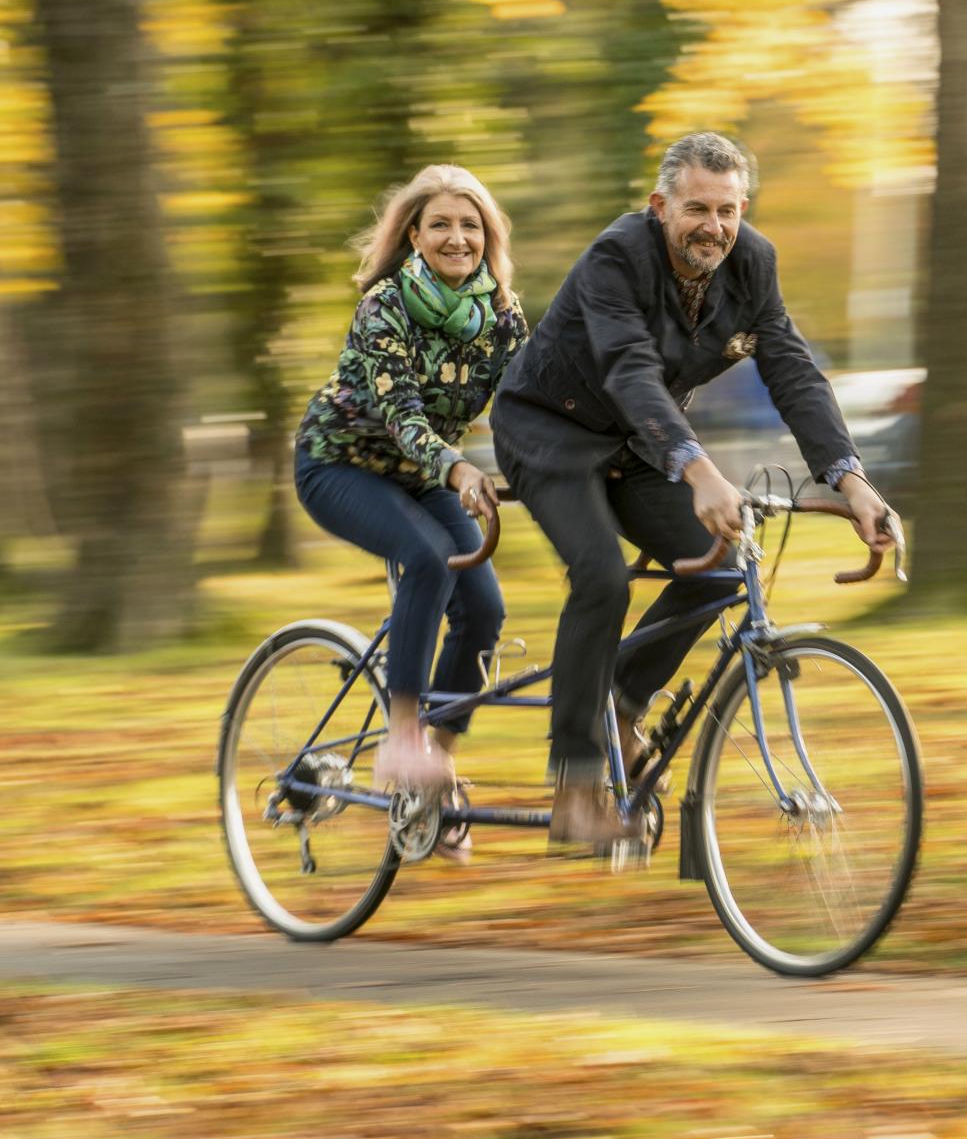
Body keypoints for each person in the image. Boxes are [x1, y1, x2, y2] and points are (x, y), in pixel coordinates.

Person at [491, 132, 894, 847]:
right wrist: (697, 467)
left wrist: (852, 480)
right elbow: (628, 367)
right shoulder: (618, 257)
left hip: (639, 442)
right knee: (601, 578)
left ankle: (619, 702)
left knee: (723, 571)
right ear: (660, 206)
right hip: (551, 429)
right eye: (697, 208)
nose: (714, 226)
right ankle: (575, 789)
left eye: (729, 210)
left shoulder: (753, 264)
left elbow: (794, 373)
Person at [294, 165, 526, 864]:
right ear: (414, 237)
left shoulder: (504, 317)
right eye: (441, 225)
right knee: (428, 559)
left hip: (428, 476)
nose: (458, 238)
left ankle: (436, 770)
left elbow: (530, 404)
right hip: (341, 465)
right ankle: (400, 741)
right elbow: (401, 415)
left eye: (470, 225)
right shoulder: (384, 306)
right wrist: (458, 467)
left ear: (488, 237)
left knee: (484, 609)